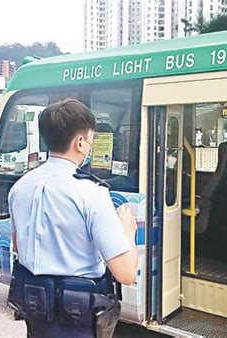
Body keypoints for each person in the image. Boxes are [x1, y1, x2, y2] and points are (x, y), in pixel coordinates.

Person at [7, 99, 138, 338]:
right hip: (77, 319)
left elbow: (18, 244)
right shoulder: (91, 193)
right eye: (90, 138)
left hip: (36, 317)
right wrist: (127, 232)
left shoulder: (20, 187)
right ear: (80, 142)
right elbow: (126, 274)